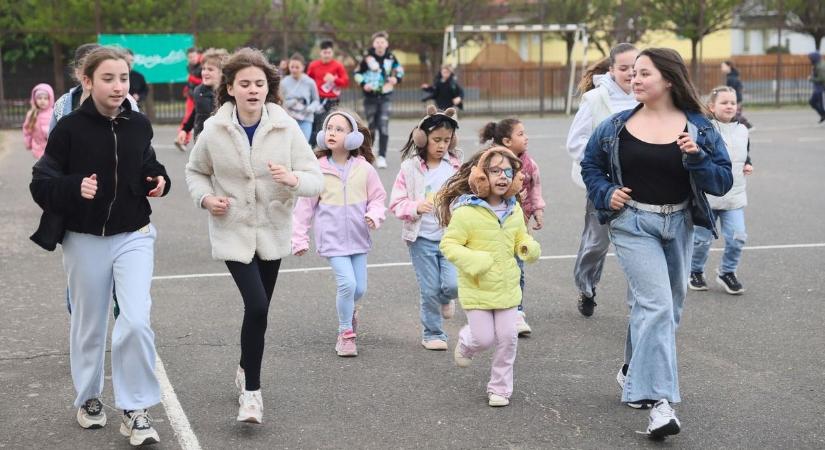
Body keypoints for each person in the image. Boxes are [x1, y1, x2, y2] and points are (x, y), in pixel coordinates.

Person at [581, 48, 733, 438]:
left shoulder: (699, 127)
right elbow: (590, 165)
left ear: (668, 79)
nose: (634, 79)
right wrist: (605, 192)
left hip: (680, 223)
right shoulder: (616, 125)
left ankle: (633, 371)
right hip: (632, 224)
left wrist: (698, 158)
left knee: (668, 308)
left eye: (644, 73)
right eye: (632, 73)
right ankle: (661, 405)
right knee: (657, 305)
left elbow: (721, 181)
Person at [30, 46, 171, 446]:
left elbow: (148, 165)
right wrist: (74, 186)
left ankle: (135, 409)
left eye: (123, 78)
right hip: (84, 238)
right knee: (89, 326)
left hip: (134, 235)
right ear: (87, 82)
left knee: (136, 320)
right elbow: (41, 182)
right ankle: (89, 397)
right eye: (108, 78)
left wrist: (159, 180)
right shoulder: (69, 128)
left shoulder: (139, 125)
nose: (117, 86)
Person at [185, 48, 323, 424]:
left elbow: (315, 178)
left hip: (274, 230)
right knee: (258, 306)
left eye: (259, 83)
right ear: (229, 88)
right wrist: (207, 198)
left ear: (268, 87)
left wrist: (293, 179)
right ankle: (252, 394)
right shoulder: (214, 129)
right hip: (233, 229)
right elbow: (195, 171)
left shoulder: (285, 126)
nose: (252, 90)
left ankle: (246, 365)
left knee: (258, 313)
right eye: (244, 83)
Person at [439, 147, 540, 407]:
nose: (503, 176)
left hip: (507, 288)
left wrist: (526, 247)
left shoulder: (514, 209)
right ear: (481, 177)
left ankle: (499, 388)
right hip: (477, 288)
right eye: (495, 170)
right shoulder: (466, 212)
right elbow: (449, 245)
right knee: (484, 338)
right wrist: (475, 261)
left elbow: (520, 238)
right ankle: (466, 342)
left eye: (508, 171)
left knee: (508, 338)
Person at [292, 109, 387, 357]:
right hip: (332, 240)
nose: (332, 133)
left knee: (359, 289)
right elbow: (304, 208)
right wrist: (299, 238)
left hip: (358, 238)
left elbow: (378, 198)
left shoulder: (364, 169)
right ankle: (345, 333)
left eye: (340, 129)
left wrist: (374, 216)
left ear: (354, 138)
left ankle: (349, 312)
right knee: (347, 285)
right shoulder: (318, 169)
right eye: (330, 128)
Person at [566, 43, 639, 317]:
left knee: (640, 243)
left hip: (640, 184)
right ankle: (586, 286)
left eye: (636, 68)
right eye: (624, 68)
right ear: (612, 69)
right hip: (604, 185)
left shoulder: (650, 97)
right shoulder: (596, 99)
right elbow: (575, 143)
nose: (631, 74)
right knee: (596, 244)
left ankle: (641, 304)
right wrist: (604, 164)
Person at [389, 105, 461, 351]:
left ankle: (446, 298)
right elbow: (396, 203)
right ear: (423, 139)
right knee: (429, 289)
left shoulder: (455, 167)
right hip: (421, 239)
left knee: (452, 286)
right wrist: (416, 207)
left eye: (447, 140)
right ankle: (433, 333)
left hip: (451, 237)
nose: (442, 145)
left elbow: (467, 195)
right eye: (436, 140)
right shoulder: (410, 168)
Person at [479, 118, 545, 336]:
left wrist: (537, 209)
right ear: (507, 141)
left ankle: (516, 312)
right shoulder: (488, 162)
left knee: (517, 268)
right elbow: (476, 187)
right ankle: (489, 307)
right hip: (491, 226)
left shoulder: (528, 163)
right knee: (492, 268)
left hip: (518, 225)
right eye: (520, 134)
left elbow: (535, 186)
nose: (526, 137)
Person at [690, 85, 753, 295]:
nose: (729, 106)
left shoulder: (743, 130)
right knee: (701, 240)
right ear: (711, 106)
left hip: (734, 196)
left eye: (733, 103)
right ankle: (695, 271)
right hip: (708, 197)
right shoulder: (705, 129)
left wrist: (748, 163)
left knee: (738, 236)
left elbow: (745, 151)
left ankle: (727, 271)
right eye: (724, 102)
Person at [50, 43, 140, 133]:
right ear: (77, 72)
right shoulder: (63, 104)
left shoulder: (129, 104)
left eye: (124, 78)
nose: (118, 88)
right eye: (88, 65)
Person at [354, 30, 404, 169]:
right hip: (370, 97)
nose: (380, 45)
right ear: (374, 44)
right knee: (371, 129)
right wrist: (364, 84)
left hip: (385, 96)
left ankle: (382, 156)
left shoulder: (391, 58)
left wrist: (396, 78)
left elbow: (400, 70)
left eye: (382, 42)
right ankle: (368, 154)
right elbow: (357, 73)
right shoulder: (367, 58)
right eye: (377, 42)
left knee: (383, 127)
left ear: (386, 44)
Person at [176, 48, 228, 147]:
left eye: (210, 69)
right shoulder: (198, 90)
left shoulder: (229, 92)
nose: (205, 73)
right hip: (201, 139)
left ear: (222, 72)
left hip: (222, 141)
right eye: (203, 69)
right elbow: (197, 111)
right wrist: (185, 130)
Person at [307, 40, 349, 146]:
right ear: (320, 53)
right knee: (316, 125)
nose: (326, 55)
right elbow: (308, 81)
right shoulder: (313, 65)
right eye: (324, 53)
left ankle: (326, 148)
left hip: (333, 100)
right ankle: (312, 148)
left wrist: (334, 80)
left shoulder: (338, 66)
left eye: (329, 52)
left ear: (332, 53)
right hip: (317, 99)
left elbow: (345, 81)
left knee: (330, 125)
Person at [280, 52, 321, 141]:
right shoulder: (283, 82)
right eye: (292, 67)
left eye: (297, 67)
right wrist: (290, 103)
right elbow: (280, 101)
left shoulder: (310, 82)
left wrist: (310, 108)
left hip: (305, 119)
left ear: (303, 67)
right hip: (289, 119)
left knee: (304, 145)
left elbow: (316, 100)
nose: (294, 70)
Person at [176, 47, 202, 150]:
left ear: (198, 55)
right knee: (188, 117)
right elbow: (191, 81)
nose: (192, 59)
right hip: (191, 95)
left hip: (200, 96)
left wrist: (191, 79)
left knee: (199, 118)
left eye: (194, 56)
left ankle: (185, 139)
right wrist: (187, 88)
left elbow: (204, 82)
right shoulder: (189, 66)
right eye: (190, 57)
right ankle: (183, 139)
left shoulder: (203, 65)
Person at [22, 83, 54, 159]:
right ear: (34, 99)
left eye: (45, 98)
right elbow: (27, 130)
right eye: (39, 98)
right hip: (38, 148)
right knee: (41, 169)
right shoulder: (32, 114)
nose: (42, 101)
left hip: (52, 148)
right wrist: (28, 142)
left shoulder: (54, 113)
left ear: (50, 99)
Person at [720, 61, 751, 129]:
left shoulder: (731, 78)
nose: (721, 68)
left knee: (735, 115)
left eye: (723, 66)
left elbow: (731, 90)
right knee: (735, 114)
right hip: (736, 99)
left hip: (736, 99)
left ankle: (748, 125)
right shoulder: (733, 76)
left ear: (729, 66)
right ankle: (745, 126)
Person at [807, 52, 825, 124]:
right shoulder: (817, 65)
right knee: (812, 102)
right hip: (818, 88)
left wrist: (811, 79)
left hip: (822, 89)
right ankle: (823, 114)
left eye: (811, 59)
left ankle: (823, 114)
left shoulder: (820, 66)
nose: (810, 60)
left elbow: (822, 78)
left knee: (822, 105)